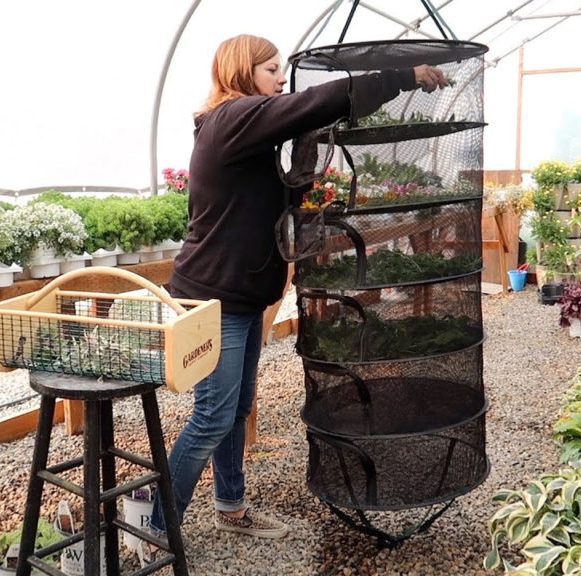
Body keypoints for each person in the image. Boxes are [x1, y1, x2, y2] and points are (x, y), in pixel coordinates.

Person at [149, 34, 450, 542]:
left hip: (238, 295)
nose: (280, 79)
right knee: (212, 415)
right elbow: (312, 101)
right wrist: (402, 77)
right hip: (211, 296)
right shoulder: (233, 117)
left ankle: (230, 506)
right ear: (242, 72)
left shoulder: (245, 132)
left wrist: (307, 160)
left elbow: (278, 178)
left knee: (235, 410)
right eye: (270, 69)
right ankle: (156, 528)